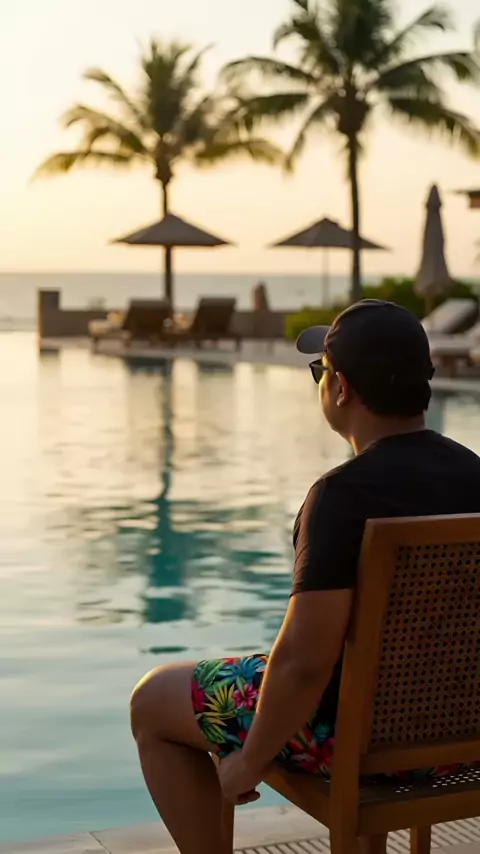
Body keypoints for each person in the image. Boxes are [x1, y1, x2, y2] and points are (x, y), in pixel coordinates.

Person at [130, 300, 480, 854]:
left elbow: (304, 663)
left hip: (356, 738)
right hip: (461, 736)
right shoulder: (475, 476)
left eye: (320, 370)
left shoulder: (343, 497)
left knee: (153, 700)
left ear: (340, 388)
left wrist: (249, 760)